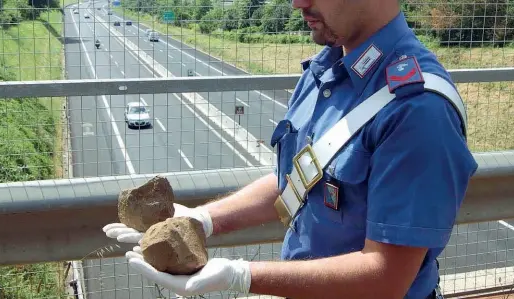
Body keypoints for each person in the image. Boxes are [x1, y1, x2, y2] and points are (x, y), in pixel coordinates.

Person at [103, 0, 479, 298]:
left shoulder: (418, 109)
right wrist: (204, 220)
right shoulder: (328, 69)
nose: (298, 2)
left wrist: (241, 277)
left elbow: (385, 280)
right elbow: (301, 180)